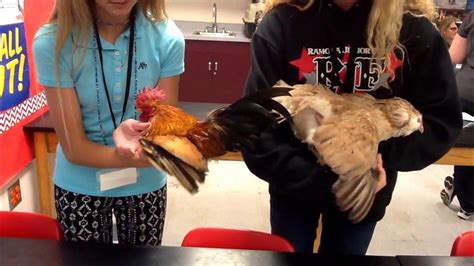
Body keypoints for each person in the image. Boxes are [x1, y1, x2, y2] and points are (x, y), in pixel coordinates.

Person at [243, 0, 462, 254]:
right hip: (294, 189)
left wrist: (370, 157)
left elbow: (441, 123)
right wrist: (321, 176)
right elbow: (255, 126)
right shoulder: (282, 22)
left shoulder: (414, 29)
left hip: (365, 195)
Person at [32, 0, 184, 244]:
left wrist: (159, 146)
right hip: (79, 186)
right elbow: (74, 148)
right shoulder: (54, 42)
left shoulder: (166, 37)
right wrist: (143, 155)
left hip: (144, 187)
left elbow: (165, 132)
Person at [441, 11, 474, 221]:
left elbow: (453, 57)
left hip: (468, 92)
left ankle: (467, 201)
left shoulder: (472, 17)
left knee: (465, 146)